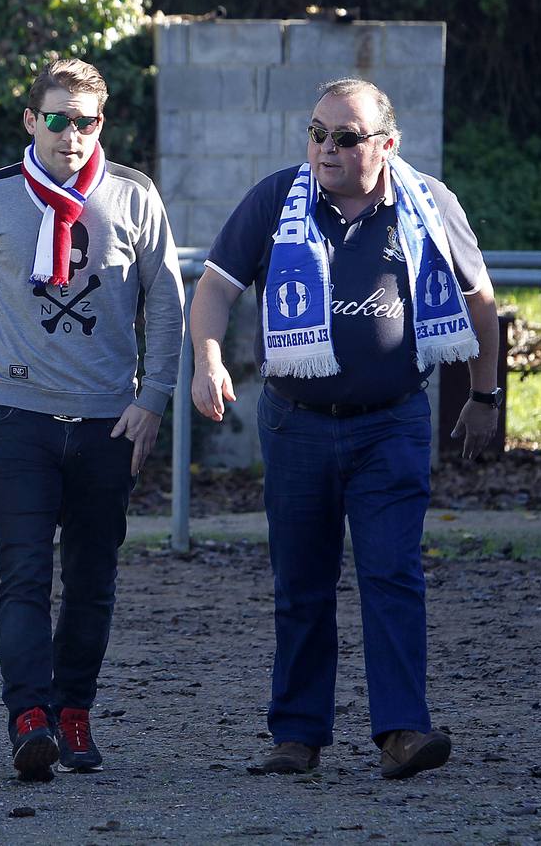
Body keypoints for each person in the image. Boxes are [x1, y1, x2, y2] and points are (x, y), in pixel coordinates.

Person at [189, 78, 500, 779]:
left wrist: (485, 394)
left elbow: (480, 306)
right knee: (300, 581)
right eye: (316, 132)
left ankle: (401, 731)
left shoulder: (428, 205)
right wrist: (207, 359)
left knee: (391, 573)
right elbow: (212, 288)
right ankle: (297, 735)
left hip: (391, 423)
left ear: (385, 144)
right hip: (296, 425)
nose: (325, 148)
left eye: (345, 137)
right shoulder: (275, 199)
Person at [0, 58, 184, 782]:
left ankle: (74, 712)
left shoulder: (134, 196)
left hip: (109, 420)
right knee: (24, 576)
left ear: (102, 124)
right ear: (31, 120)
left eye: (88, 122)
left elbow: (163, 303)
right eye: (59, 119)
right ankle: (28, 719)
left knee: (93, 577)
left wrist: (153, 397)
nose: (73, 135)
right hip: (17, 417)